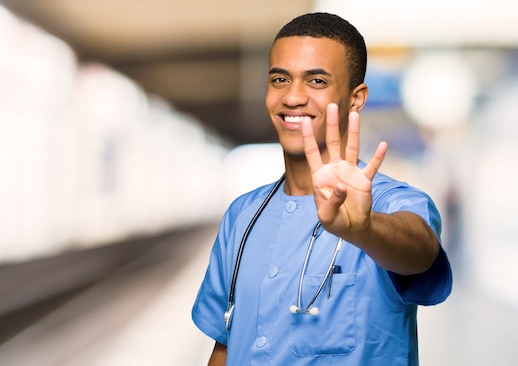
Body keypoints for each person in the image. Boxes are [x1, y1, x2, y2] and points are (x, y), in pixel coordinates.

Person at [192, 12, 452, 365]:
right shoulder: (243, 215)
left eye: (316, 81)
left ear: (356, 99)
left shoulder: (392, 203)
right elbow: (224, 345)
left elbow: (420, 252)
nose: (292, 97)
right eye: (280, 79)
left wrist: (365, 229)